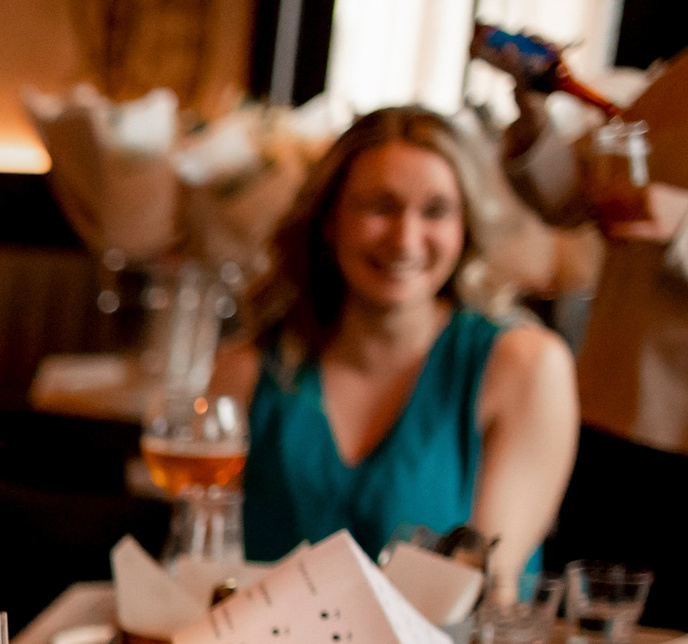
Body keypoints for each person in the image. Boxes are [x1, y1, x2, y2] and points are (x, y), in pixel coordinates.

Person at [220, 107, 577, 603]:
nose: (405, 239)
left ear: (466, 228)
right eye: (380, 207)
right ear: (328, 220)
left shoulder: (526, 366)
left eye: (436, 211)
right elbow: (206, 566)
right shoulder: (244, 369)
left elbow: (489, 593)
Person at [501, 55, 688, 630]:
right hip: (609, 404)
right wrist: (532, 105)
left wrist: (683, 225)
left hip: (677, 428)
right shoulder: (677, 79)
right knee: (582, 631)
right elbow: (569, 197)